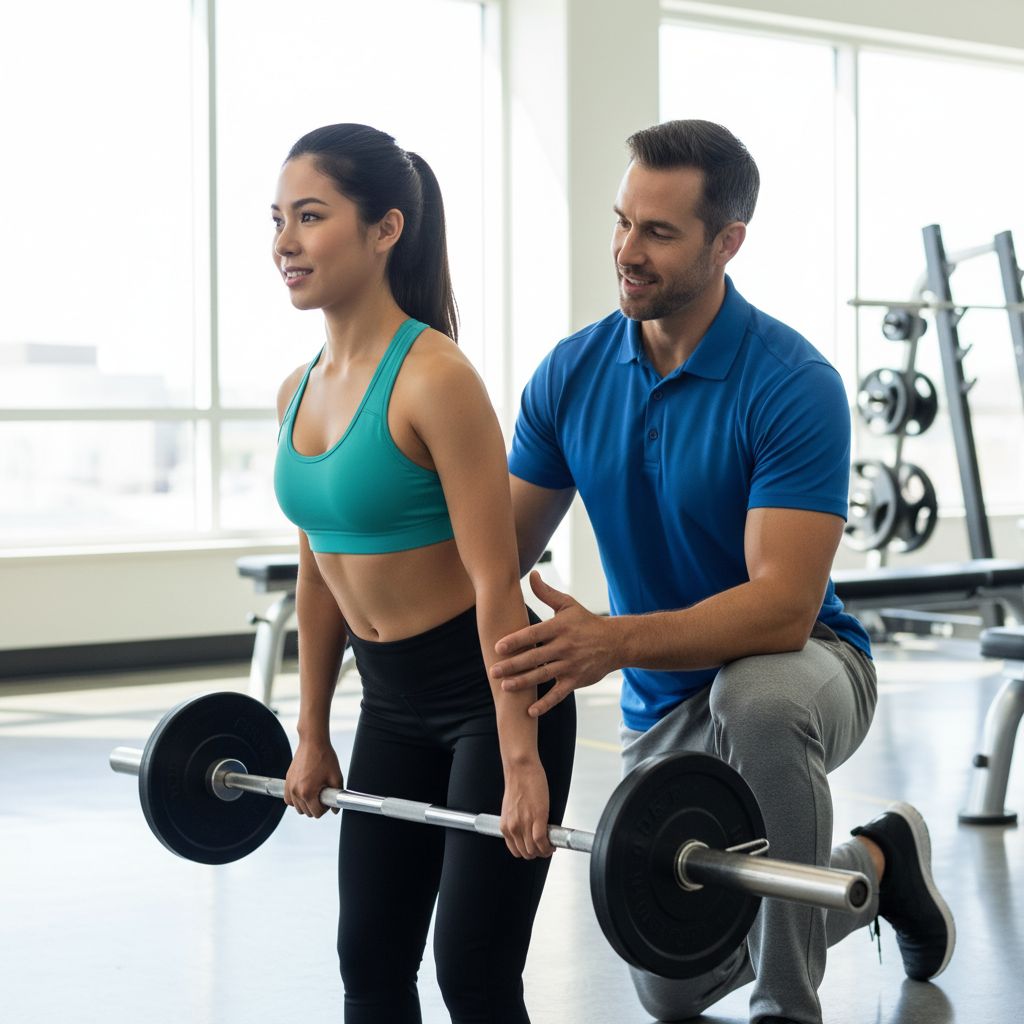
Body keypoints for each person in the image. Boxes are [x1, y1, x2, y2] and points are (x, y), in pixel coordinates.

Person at [489, 119, 956, 1024]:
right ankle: (877, 863)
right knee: (674, 981)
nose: (627, 250)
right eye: (622, 221)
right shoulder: (571, 375)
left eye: (658, 232)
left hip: (812, 662)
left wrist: (611, 641)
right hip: (665, 700)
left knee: (759, 698)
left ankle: (786, 1004)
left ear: (727, 241)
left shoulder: (790, 382)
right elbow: (492, 561)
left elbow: (782, 609)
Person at [270, 123, 575, 1024]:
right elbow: (318, 573)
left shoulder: (436, 376)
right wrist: (313, 730)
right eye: (277, 219)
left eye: (311, 216)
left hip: (492, 697)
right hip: (393, 704)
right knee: (368, 961)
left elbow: (494, 582)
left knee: (471, 977)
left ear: (384, 229)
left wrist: (521, 762)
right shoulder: (296, 389)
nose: (285, 242)